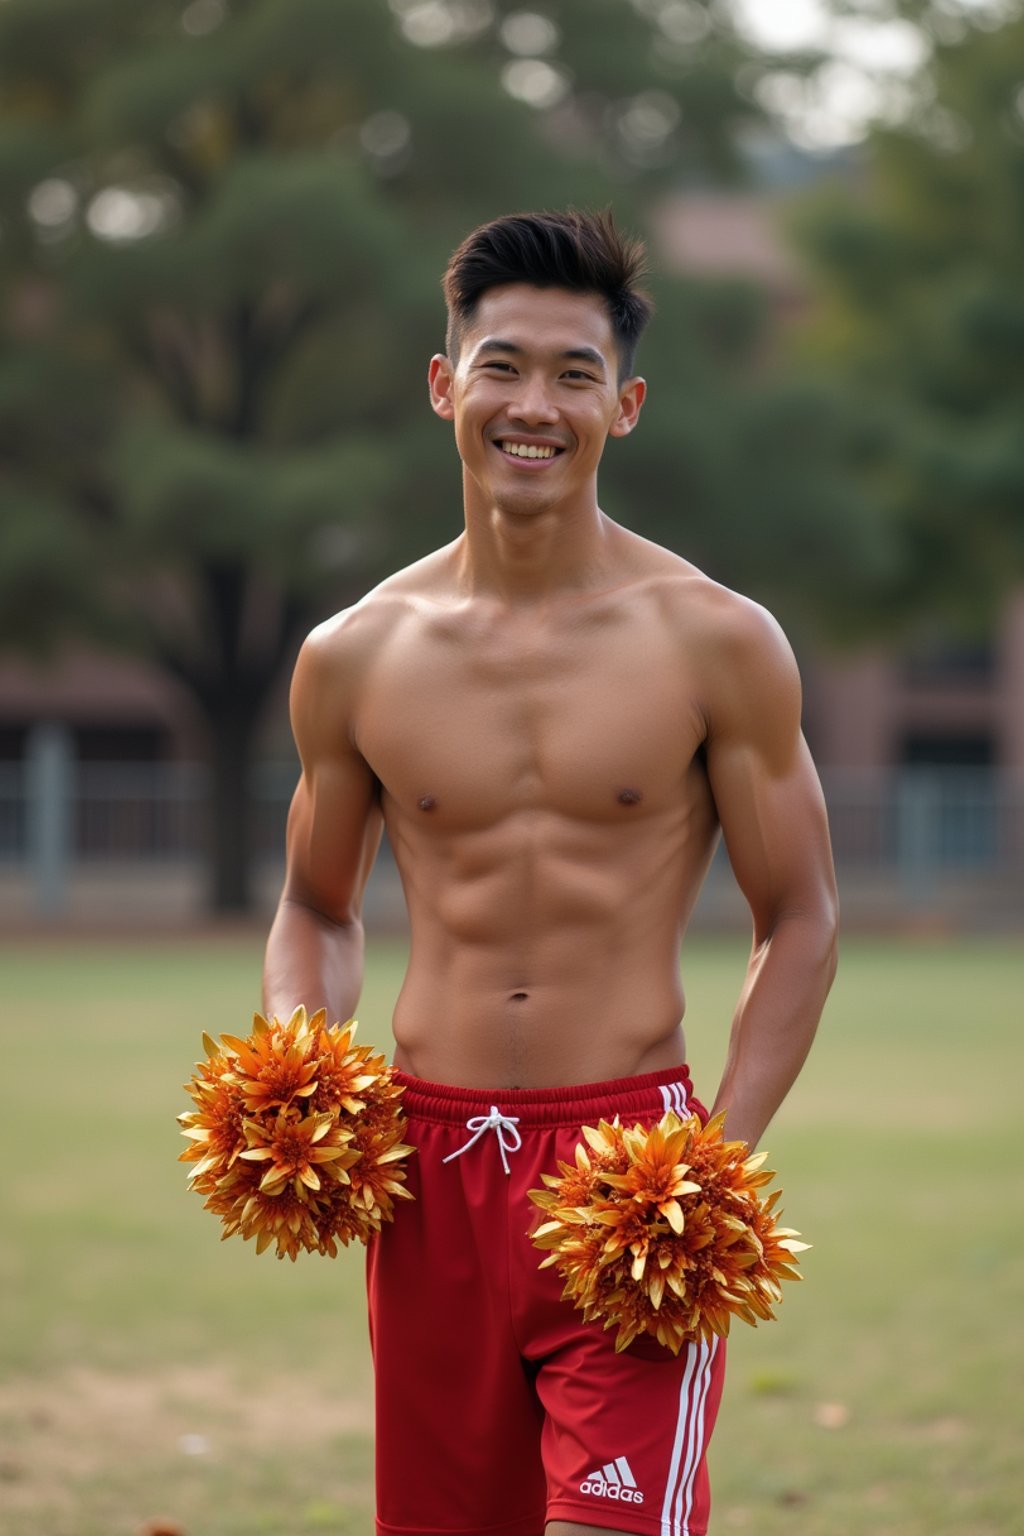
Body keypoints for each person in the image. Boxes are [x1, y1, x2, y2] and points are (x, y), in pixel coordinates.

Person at [263, 208, 838, 1536]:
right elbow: (314, 902)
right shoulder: (352, 654)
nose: (536, 405)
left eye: (575, 375)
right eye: (503, 365)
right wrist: (301, 1058)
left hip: (632, 1166)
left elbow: (799, 916)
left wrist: (713, 1163)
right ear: (442, 386)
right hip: (428, 1168)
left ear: (624, 406)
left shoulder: (717, 642)